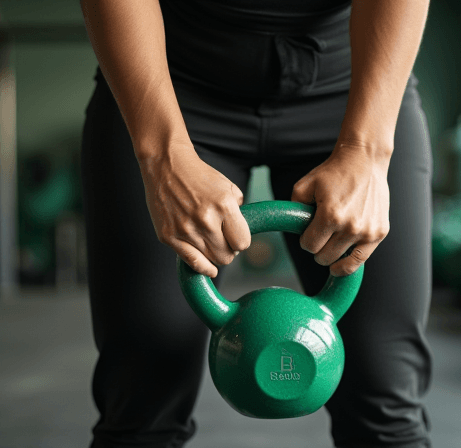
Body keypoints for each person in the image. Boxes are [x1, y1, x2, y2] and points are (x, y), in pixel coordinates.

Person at [78, 0, 433, 446]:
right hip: (170, 85)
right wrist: (163, 157)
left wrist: (367, 152)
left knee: (385, 395)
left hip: (352, 86)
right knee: (143, 391)